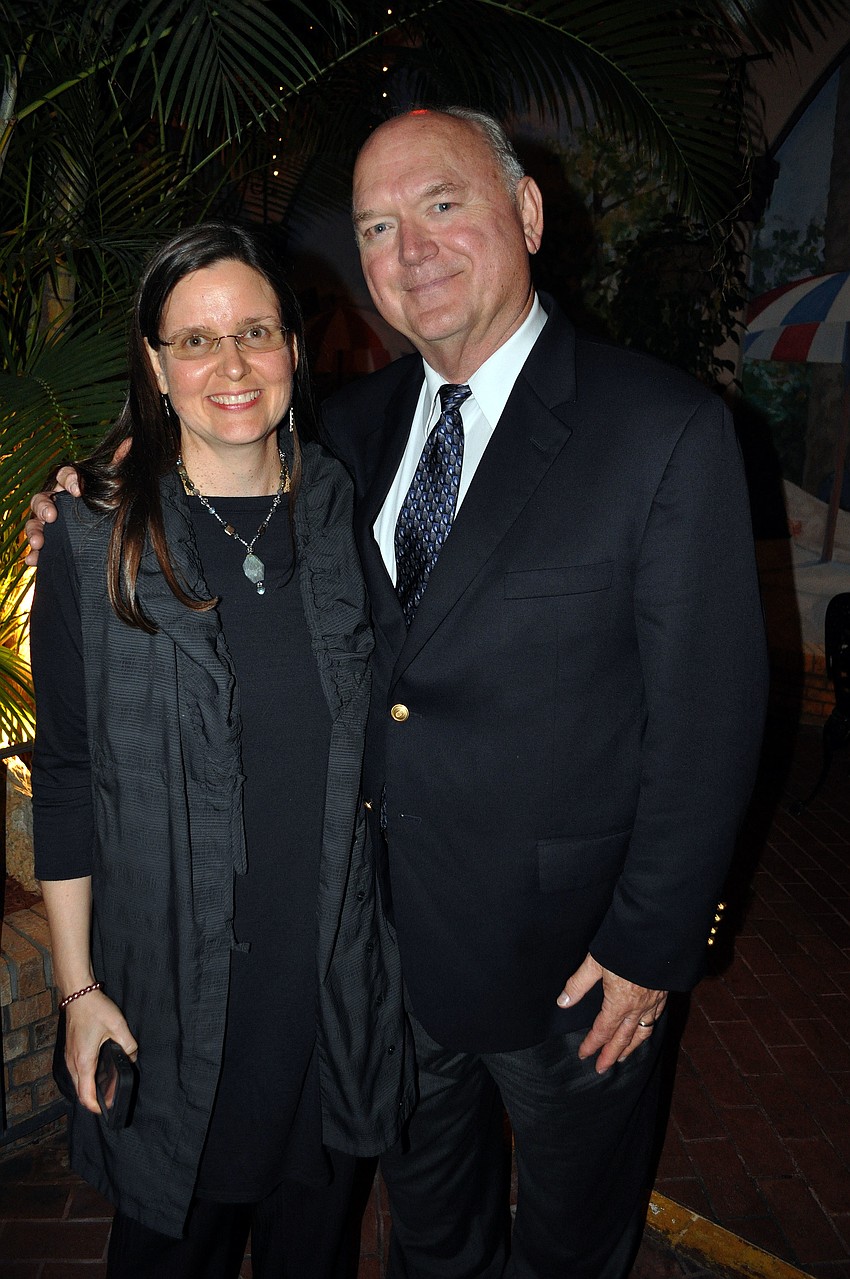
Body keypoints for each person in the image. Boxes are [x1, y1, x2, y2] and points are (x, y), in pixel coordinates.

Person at [29, 110, 769, 1278]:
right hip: (380, 966)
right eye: (378, 223)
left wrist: (654, 945)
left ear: (525, 214)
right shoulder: (349, 435)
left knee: (572, 1246)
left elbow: (711, 717)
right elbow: (215, 451)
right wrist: (99, 485)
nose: (409, 246)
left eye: (442, 205)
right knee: (432, 1236)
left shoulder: (662, 431)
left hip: (573, 971)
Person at [28, 222, 411, 1279]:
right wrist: (76, 991)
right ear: (153, 364)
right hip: (172, 997)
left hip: (327, 988)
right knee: (167, 1250)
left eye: (255, 331)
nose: (231, 365)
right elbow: (63, 777)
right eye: (194, 341)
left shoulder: (351, 508)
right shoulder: (87, 536)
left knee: (313, 1251)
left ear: (295, 342)